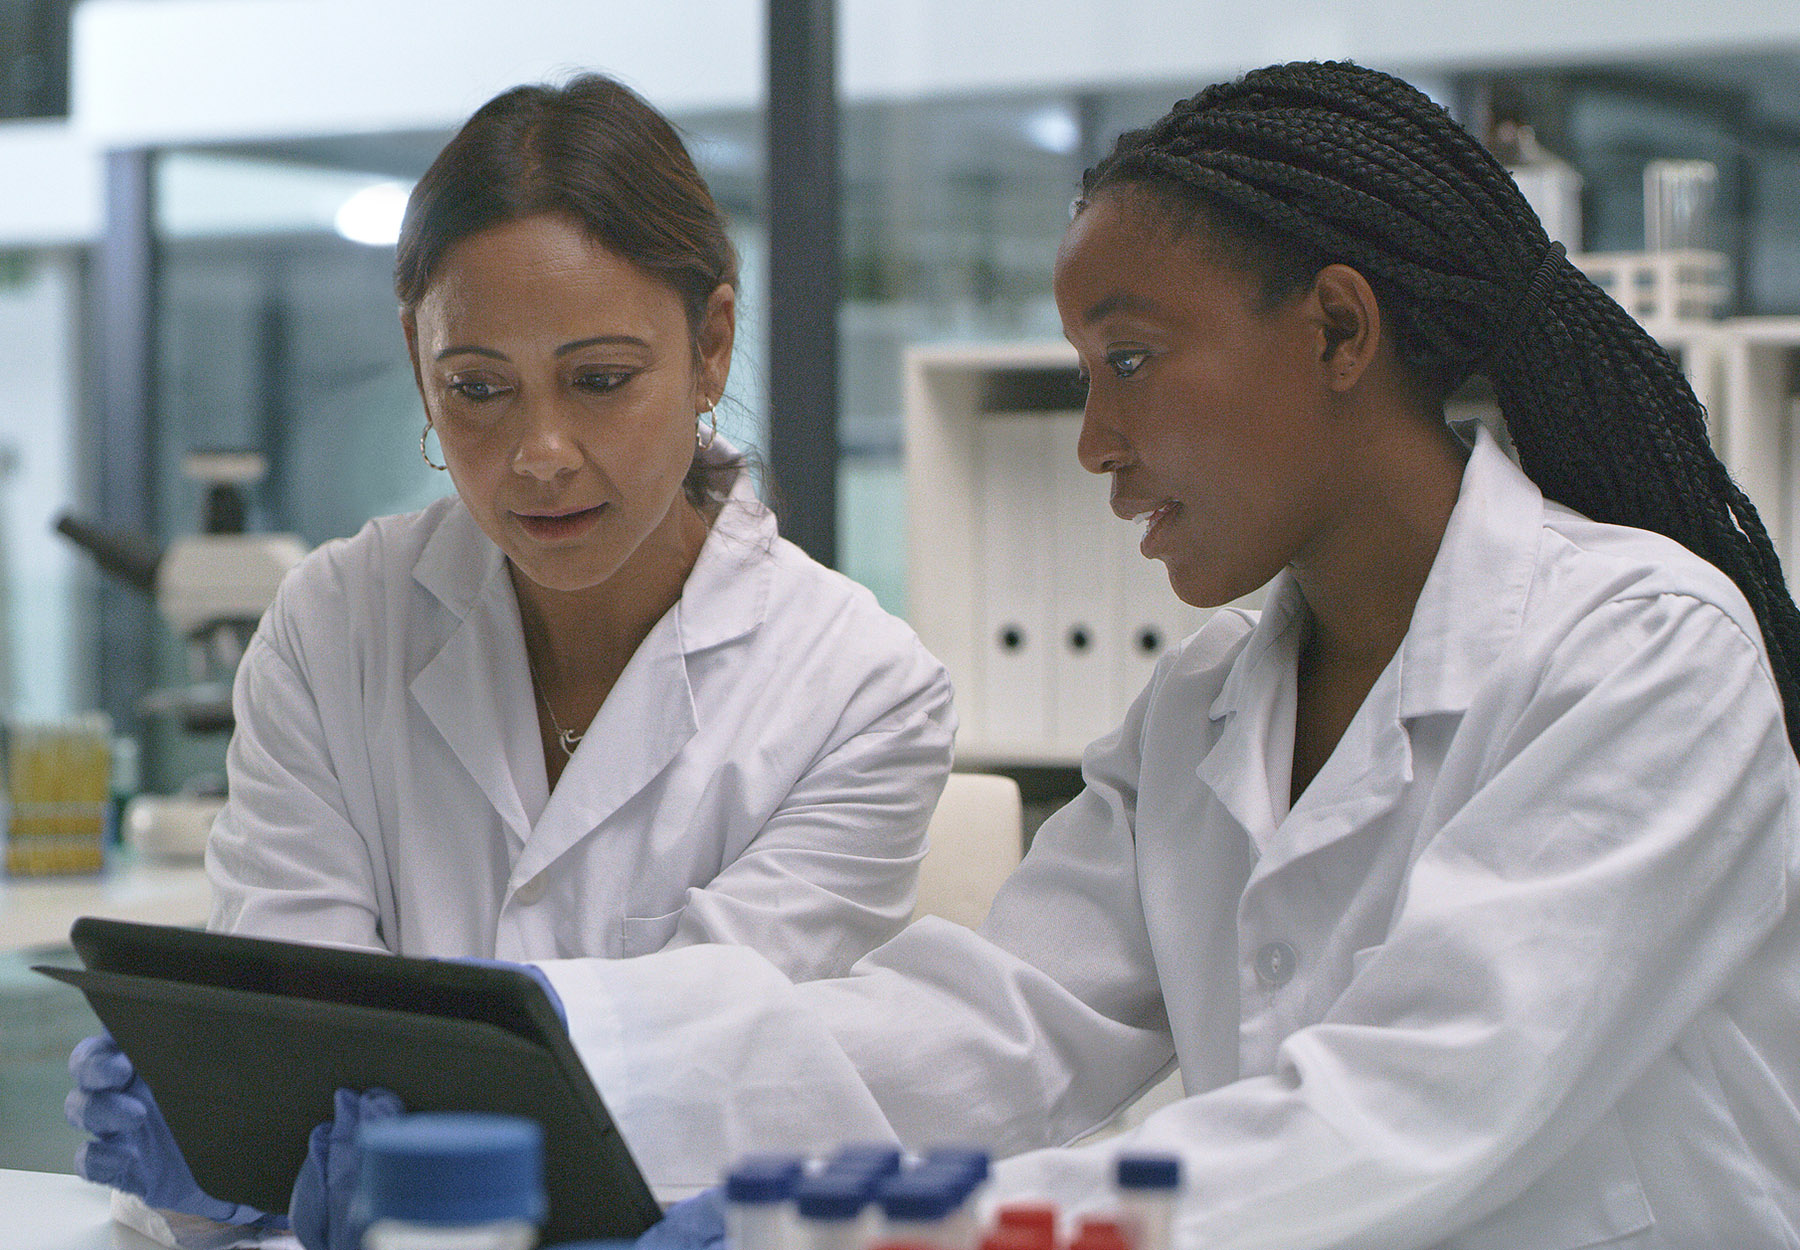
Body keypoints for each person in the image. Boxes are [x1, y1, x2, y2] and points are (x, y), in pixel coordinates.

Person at [516, 60, 1797, 1249]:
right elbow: (986, 1024)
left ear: (1339, 332)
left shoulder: (1644, 654)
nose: (1095, 440)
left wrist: (860, 1225)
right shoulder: (1202, 707)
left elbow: (1394, 1110)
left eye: (1129, 360)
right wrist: (564, 1062)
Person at [65, 72, 955, 1237]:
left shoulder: (860, 690)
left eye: (599, 380)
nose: (539, 453)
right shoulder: (335, 622)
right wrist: (235, 1149)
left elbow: (705, 1064)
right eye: (477, 388)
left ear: (712, 346)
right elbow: (299, 1032)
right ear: (417, 363)